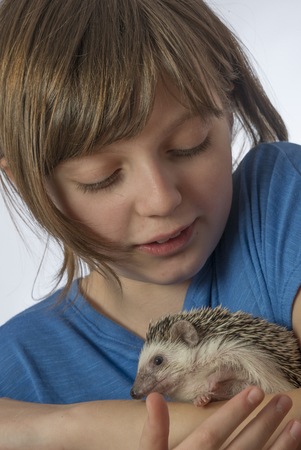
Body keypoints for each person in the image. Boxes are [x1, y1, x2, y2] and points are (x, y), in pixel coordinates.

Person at [0, 0, 301, 448]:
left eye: (189, 145)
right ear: (30, 184)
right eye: (101, 177)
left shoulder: (278, 199)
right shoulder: (17, 365)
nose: (162, 200)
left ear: (230, 106)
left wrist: (57, 428)